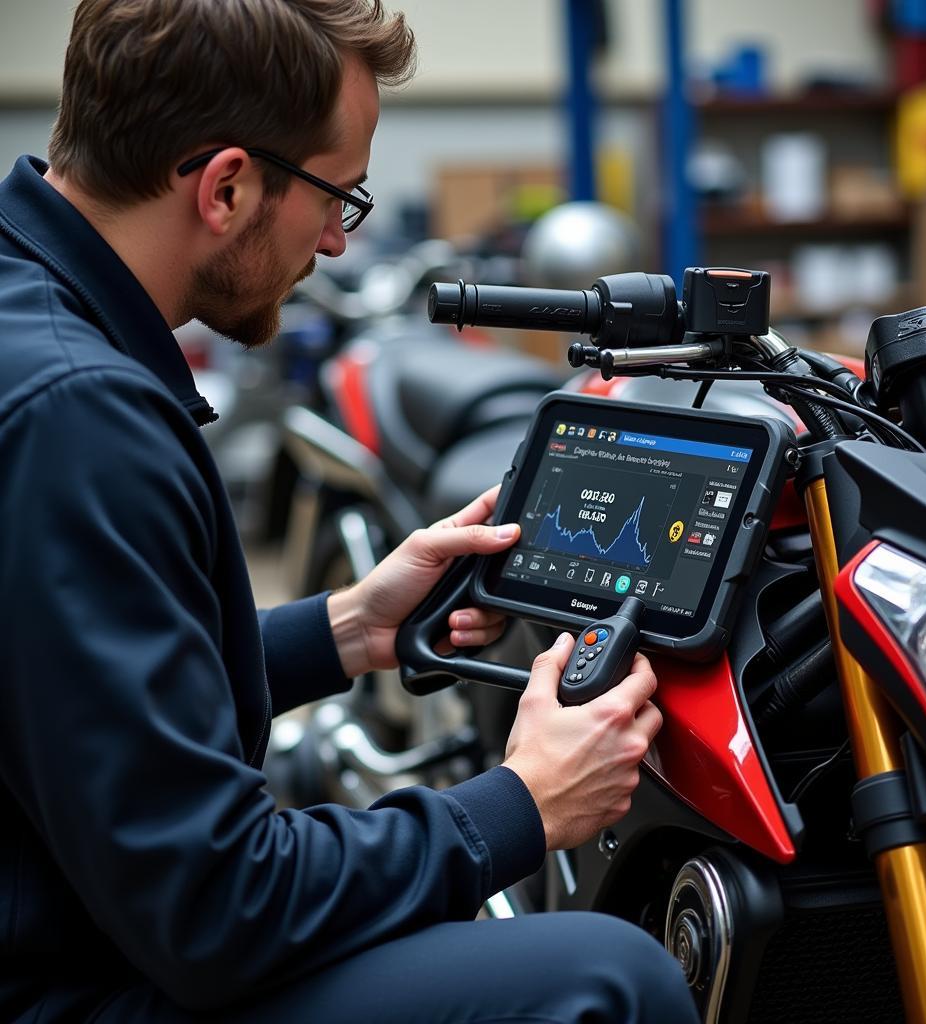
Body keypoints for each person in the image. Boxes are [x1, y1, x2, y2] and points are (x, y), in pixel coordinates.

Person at [0, 1, 696, 1021]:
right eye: (339, 195)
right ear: (227, 186)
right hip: (61, 985)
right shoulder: (78, 420)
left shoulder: (31, 317)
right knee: (612, 978)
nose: (335, 239)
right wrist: (517, 804)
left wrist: (349, 627)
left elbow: (69, 687)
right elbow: (217, 908)